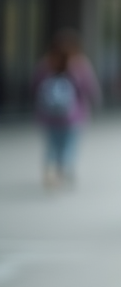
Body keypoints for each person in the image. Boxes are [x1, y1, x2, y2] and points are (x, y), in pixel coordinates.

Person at [32, 29, 101, 189]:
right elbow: (89, 88)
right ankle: (62, 170)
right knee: (69, 144)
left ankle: (50, 169)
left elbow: (35, 87)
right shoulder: (80, 65)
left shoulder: (45, 64)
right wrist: (95, 102)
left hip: (48, 115)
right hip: (73, 115)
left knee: (52, 144)